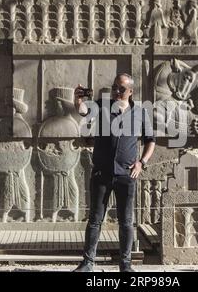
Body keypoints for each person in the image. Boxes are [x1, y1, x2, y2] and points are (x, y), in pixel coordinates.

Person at [73, 73, 156, 272]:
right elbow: (83, 111)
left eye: (121, 89)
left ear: (130, 92)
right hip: (102, 173)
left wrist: (141, 163)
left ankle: (125, 264)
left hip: (126, 175)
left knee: (126, 222)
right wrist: (77, 100)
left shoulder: (140, 113)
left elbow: (150, 141)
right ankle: (87, 263)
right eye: (114, 88)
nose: (117, 92)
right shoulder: (102, 105)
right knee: (94, 221)